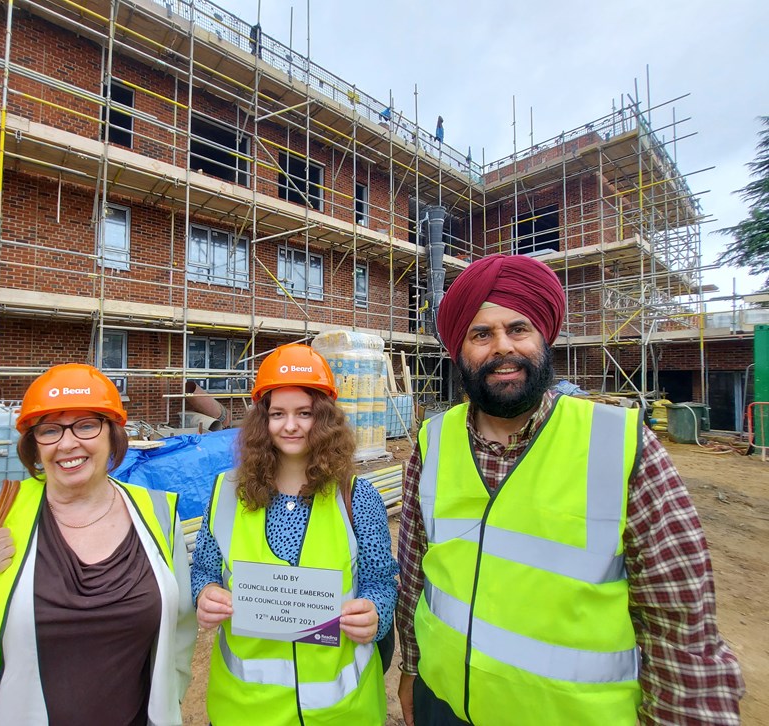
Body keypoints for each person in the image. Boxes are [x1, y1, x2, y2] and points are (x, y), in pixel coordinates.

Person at [396, 254, 745, 726]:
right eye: (481, 334)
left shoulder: (619, 444)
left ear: (543, 336)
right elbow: (416, 576)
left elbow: (679, 622)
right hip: (446, 704)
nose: (502, 347)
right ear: (460, 349)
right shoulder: (432, 440)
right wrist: (412, 669)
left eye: (518, 329)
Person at [0, 364, 195, 725]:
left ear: (113, 433)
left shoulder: (158, 514)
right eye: (49, 430)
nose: (67, 443)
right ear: (33, 444)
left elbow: (180, 630)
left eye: (86, 425)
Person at [191, 343, 398, 725]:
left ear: (324, 419)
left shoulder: (356, 497)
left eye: (305, 413)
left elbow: (380, 583)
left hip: (341, 713)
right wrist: (205, 594)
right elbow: (203, 570)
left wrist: (375, 614)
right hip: (247, 711)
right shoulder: (226, 494)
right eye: (278, 414)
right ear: (262, 421)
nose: (290, 425)